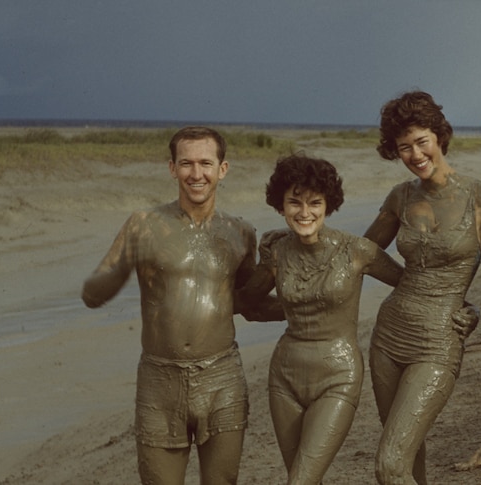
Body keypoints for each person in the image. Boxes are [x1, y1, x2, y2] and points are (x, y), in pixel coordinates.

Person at [82, 126, 257, 484]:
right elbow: (92, 294)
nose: (197, 174)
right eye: (186, 163)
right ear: (172, 168)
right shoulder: (142, 225)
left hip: (222, 378)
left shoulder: (241, 232)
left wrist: (308, 300)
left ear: (223, 169)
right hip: (159, 380)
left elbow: (247, 304)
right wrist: (125, 264)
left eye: (206, 163)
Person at [363, 91, 481, 485]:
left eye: (421, 141)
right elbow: (360, 254)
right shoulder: (400, 198)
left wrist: (475, 308)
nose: (415, 154)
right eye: (403, 147)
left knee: (389, 466)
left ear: (439, 136)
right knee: (408, 458)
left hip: (437, 343)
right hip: (388, 337)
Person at [237, 154, 403, 485]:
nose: (304, 212)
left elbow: (410, 283)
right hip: (284, 376)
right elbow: (247, 302)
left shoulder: (357, 251)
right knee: (302, 478)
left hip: (337, 375)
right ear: (280, 205)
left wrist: (458, 305)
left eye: (315, 203)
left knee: (300, 480)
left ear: (329, 204)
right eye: (294, 202)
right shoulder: (277, 254)